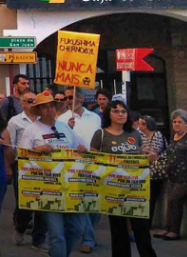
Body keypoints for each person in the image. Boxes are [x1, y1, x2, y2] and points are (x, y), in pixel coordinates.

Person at [18, 91, 88, 257]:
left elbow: (77, 148)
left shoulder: (64, 127)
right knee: (56, 234)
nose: (49, 110)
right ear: (39, 110)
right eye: (44, 107)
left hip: (70, 186)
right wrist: (37, 150)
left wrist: (80, 149)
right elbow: (21, 156)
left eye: (51, 106)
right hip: (47, 188)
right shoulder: (31, 130)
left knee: (77, 229)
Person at [89, 100, 157, 257]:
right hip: (113, 191)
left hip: (136, 190)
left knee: (142, 231)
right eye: (116, 111)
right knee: (119, 233)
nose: (120, 114)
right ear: (108, 114)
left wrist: (150, 157)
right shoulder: (101, 134)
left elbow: (141, 156)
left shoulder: (134, 134)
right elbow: (92, 161)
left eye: (123, 111)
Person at [57, 88, 102, 254]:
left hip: (94, 163)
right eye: (67, 98)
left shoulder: (95, 117)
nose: (68, 100)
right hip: (74, 165)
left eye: (71, 97)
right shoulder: (61, 119)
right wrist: (67, 128)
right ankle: (88, 238)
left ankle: (88, 233)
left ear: (81, 98)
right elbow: (60, 141)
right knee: (82, 202)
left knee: (95, 203)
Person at [7, 91, 48, 251]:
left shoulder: (45, 122)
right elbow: (10, 146)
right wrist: (11, 165)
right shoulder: (14, 121)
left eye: (35, 100)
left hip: (44, 167)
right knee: (25, 204)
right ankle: (20, 227)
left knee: (43, 204)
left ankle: (38, 239)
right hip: (23, 166)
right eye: (29, 100)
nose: (33, 103)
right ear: (22, 103)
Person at [154, 109, 187, 241]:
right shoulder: (174, 136)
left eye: (179, 122)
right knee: (170, 201)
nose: (176, 124)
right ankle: (166, 228)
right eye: (174, 121)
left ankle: (175, 230)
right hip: (173, 176)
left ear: (186, 123)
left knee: (175, 199)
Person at [137, 115, 167, 221]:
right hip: (143, 171)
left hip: (154, 172)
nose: (138, 125)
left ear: (146, 125)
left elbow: (152, 155)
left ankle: (148, 221)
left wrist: (143, 153)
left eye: (140, 123)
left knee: (151, 197)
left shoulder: (157, 135)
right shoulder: (141, 135)